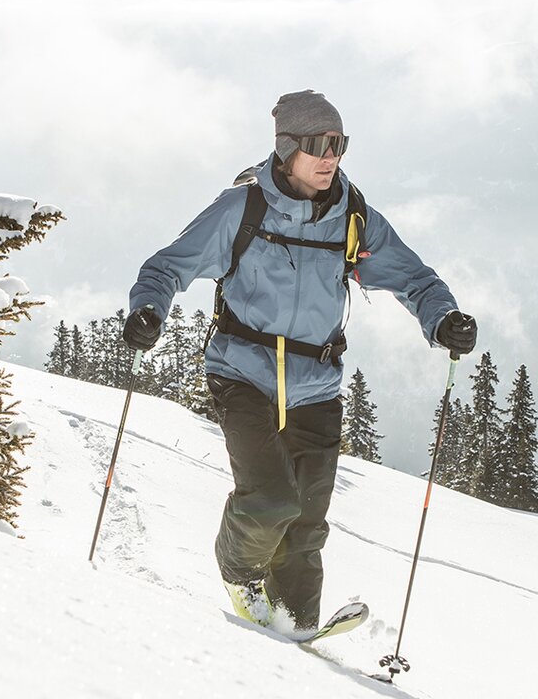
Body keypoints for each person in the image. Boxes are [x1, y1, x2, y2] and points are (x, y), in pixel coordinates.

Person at [122, 89, 477, 634]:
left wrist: (443, 317)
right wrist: (148, 310)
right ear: (287, 149)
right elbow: (167, 267)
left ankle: (297, 632)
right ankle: (241, 574)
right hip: (242, 373)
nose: (330, 156)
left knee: (307, 528)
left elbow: (413, 278)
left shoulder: (352, 217)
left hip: (316, 385)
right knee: (269, 500)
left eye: (338, 144)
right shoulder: (242, 208)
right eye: (317, 144)